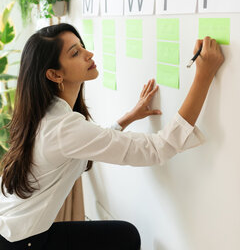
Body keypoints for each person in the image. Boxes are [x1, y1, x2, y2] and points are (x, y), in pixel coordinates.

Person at [0, 23, 224, 250]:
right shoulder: (62, 128)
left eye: (82, 47)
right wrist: (203, 76)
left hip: (11, 231)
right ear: (55, 74)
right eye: (75, 53)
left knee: (123, 236)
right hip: (22, 242)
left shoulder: (47, 115)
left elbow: (88, 142)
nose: (89, 54)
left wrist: (128, 117)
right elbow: (158, 149)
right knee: (124, 237)